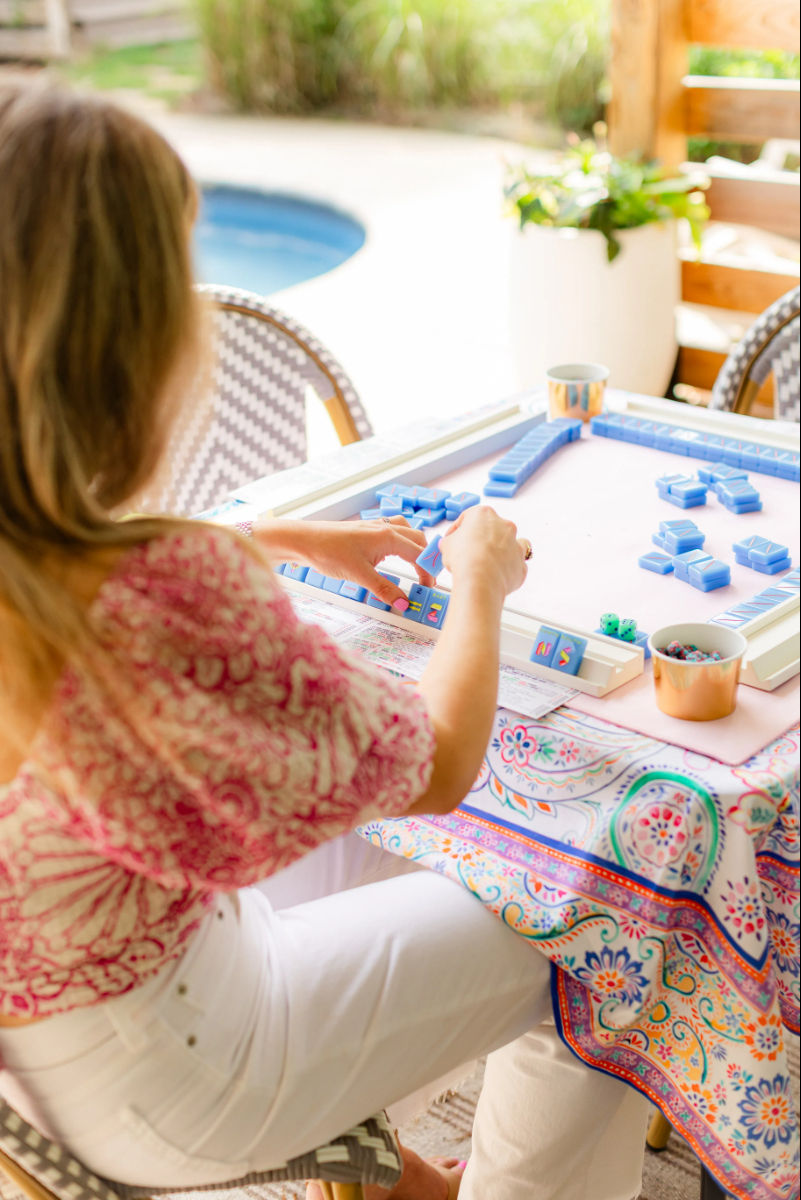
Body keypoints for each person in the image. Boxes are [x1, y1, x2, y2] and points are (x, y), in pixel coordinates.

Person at [0, 83, 650, 1200]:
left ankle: (398, 1179)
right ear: (135, 344)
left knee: (428, 858)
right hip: (176, 1070)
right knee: (603, 921)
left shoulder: (55, 556)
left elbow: (88, 553)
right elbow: (443, 763)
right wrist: (480, 584)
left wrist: (280, 534)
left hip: (37, 1049)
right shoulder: (161, 597)